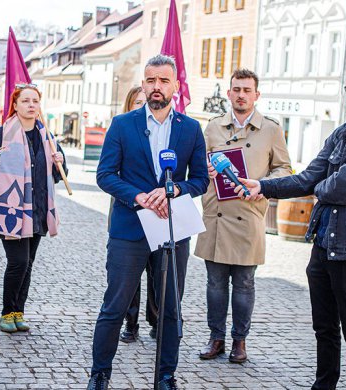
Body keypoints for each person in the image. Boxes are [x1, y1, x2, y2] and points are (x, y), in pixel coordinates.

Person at [234, 59, 346, 390]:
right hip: (324, 242)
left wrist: (323, 188)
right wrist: (263, 186)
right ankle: (323, 385)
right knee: (324, 326)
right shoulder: (343, 133)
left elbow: (338, 188)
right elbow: (312, 177)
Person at [87, 54, 210, 390]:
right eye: (151, 80)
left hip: (172, 228)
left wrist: (173, 189)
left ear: (176, 86)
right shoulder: (122, 124)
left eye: (164, 81)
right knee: (114, 305)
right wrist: (139, 196)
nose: (157, 87)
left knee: (171, 309)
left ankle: (166, 376)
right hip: (129, 228)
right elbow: (105, 175)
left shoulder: (191, 129)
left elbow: (200, 179)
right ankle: (100, 374)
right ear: (144, 84)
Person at [194, 69, 292, 364]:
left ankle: (239, 341)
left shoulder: (271, 130)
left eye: (247, 90)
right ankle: (216, 338)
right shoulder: (212, 128)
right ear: (228, 94)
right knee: (215, 284)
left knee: (245, 283)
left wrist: (263, 186)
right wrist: (206, 171)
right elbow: (197, 169)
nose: (241, 95)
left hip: (248, 215)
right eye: (236, 89)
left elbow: (285, 170)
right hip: (217, 216)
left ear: (256, 95)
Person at [0, 83, 67, 333]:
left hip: (38, 211)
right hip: (11, 211)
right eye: (26, 101)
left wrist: (59, 162)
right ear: (15, 105)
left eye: (35, 101)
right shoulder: (1, 136)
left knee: (28, 263)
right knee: (18, 262)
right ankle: (6, 313)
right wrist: (0, 203)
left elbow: (58, 176)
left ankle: (18, 312)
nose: (31, 105)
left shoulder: (47, 137)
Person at [112, 85, 159, 344]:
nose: (142, 106)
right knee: (130, 275)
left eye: (145, 102)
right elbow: (108, 173)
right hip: (129, 210)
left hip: (159, 212)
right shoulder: (121, 130)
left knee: (156, 271)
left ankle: (156, 319)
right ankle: (131, 322)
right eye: (137, 102)